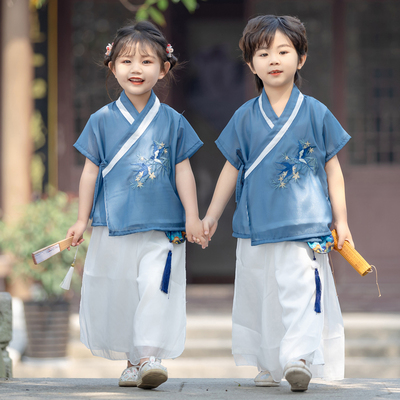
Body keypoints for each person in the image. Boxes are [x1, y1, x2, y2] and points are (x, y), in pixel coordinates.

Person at [202, 15, 353, 392]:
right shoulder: (243, 117)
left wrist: (342, 221)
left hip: (306, 225)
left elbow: (333, 171)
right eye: (263, 52)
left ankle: (299, 357)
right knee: (261, 294)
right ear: (251, 63)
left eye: (284, 51)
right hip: (255, 226)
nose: (274, 59)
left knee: (301, 290)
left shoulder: (316, 112)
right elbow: (229, 171)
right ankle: (267, 362)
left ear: (300, 59)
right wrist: (212, 215)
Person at [67, 21, 205, 390]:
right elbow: (89, 174)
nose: (136, 69)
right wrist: (82, 220)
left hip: (164, 225)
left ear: (164, 69)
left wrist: (192, 215)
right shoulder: (100, 121)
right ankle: (132, 361)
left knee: (153, 287)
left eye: (146, 61)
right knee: (121, 291)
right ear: (113, 67)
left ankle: (148, 356)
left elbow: (183, 172)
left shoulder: (174, 122)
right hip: (115, 224)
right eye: (127, 61)